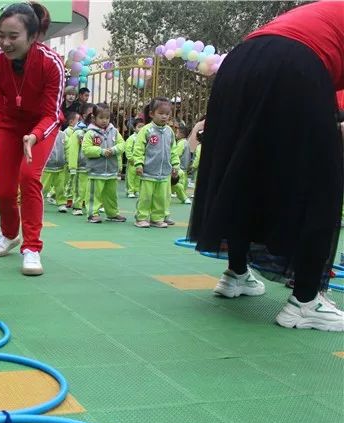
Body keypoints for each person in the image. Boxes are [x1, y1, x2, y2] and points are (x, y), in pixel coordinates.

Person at [189, 2, 344, 331]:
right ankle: (305, 302)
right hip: (294, 64)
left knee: (246, 173)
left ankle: (236, 274)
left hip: (239, 63)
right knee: (321, 183)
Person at [0, 2, 63, 276]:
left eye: (13, 36)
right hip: (8, 125)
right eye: (1, 35)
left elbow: (53, 114)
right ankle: (8, 234)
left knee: (29, 177)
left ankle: (31, 247)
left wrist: (35, 135)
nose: (5, 43)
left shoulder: (52, 63)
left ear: (32, 37)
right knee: (4, 189)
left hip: (40, 127)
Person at [132, 97, 179, 229]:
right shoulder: (146, 130)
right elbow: (138, 149)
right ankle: (141, 217)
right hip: (148, 172)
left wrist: (175, 164)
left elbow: (173, 150)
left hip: (164, 173)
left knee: (161, 198)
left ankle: (157, 218)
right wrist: (139, 164)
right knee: (145, 197)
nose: (164, 117)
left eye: (167, 114)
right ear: (152, 114)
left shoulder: (169, 131)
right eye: (161, 113)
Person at [82, 103, 125, 223]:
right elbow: (86, 149)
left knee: (111, 195)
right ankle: (92, 214)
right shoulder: (90, 133)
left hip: (111, 170)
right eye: (101, 118)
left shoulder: (114, 131)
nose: (104, 121)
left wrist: (114, 150)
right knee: (94, 194)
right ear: (94, 118)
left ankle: (112, 213)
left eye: (107, 118)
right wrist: (100, 151)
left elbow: (122, 144)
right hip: (96, 171)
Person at [171, 124, 192, 205]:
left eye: (177, 132)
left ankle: (179, 194)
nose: (176, 134)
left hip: (180, 167)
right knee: (183, 182)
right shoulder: (186, 142)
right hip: (184, 167)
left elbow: (177, 154)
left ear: (181, 134)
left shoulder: (181, 143)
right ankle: (181, 194)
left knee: (179, 183)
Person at [124, 118, 144, 198]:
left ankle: (137, 190)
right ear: (134, 128)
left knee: (138, 177)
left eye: (143, 127)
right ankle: (130, 191)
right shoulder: (131, 138)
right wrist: (130, 158)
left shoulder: (144, 138)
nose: (141, 129)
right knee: (131, 177)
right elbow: (127, 149)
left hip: (140, 162)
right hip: (132, 162)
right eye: (139, 127)